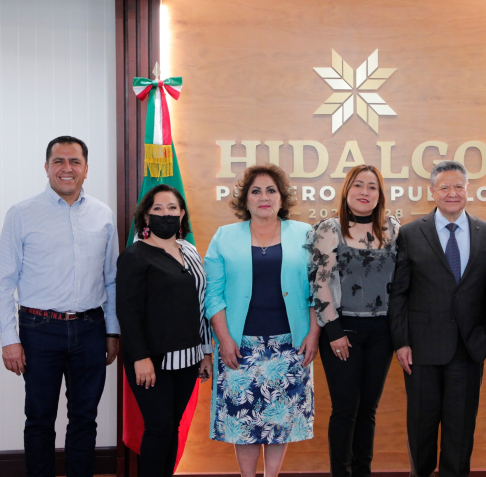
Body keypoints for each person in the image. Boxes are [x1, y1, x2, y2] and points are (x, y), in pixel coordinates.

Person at [0, 136, 119, 477]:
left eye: (74, 162)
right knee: (39, 417)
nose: (67, 168)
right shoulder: (22, 214)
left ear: (85, 169)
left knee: (84, 418)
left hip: (91, 329)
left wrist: (112, 331)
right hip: (39, 331)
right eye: (59, 161)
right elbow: (4, 281)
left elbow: (110, 279)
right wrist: (10, 339)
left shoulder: (103, 214)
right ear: (47, 167)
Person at [204, 163, 318, 477]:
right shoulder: (225, 237)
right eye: (256, 191)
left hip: (290, 345)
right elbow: (213, 295)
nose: (263, 197)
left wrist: (314, 333)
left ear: (282, 198)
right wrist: (224, 339)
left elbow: (318, 289)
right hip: (240, 346)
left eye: (271, 190)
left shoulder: (304, 234)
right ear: (246, 199)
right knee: (243, 421)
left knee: (281, 421)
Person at [389, 160, 486, 477]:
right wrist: (401, 342)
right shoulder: (410, 233)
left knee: (461, 431)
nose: (452, 193)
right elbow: (399, 294)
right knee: (421, 429)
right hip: (421, 350)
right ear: (432, 192)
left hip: (469, 348)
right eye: (445, 187)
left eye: (458, 187)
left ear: (468, 190)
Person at [307, 165, 400, 477]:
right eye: (358, 185)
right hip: (341, 330)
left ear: (379, 194)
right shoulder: (329, 229)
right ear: (346, 191)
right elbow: (319, 282)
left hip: (382, 333)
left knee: (368, 411)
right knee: (345, 410)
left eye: (372, 187)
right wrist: (333, 331)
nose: (364, 192)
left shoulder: (392, 228)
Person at [116, 184, 213, 477]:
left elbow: (202, 303)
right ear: (146, 217)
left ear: (182, 214)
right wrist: (140, 357)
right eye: (157, 209)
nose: (166, 214)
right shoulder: (135, 255)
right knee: (158, 428)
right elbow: (128, 312)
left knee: (174, 427)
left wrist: (206, 352)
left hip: (189, 357)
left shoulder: (190, 251)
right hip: (152, 360)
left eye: (172, 208)